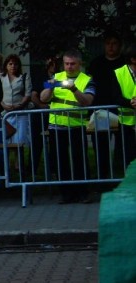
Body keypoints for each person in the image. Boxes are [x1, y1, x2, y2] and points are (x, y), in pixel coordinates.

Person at [39, 50, 95, 204]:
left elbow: (87, 101)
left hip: (77, 126)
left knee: (80, 160)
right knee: (60, 161)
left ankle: (83, 193)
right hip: (56, 126)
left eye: (73, 64)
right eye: (67, 63)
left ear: (80, 64)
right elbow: (43, 98)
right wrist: (50, 88)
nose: (69, 67)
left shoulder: (87, 80)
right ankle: (66, 194)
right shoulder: (56, 77)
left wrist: (74, 89)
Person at [88, 31, 126, 181]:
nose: (111, 47)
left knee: (122, 145)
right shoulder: (96, 63)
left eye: (114, 43)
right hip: (100, 110)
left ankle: (119, 177)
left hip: (121, 109)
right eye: (108, 43)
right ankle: (103, 178)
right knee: (101, 144)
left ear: (119, 46)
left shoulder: (124, 63)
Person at [111, 44, 136, 169]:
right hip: (127, 124)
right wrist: (130, 103)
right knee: (129, 159)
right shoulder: (119, 73)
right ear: (133, 59)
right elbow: (115, 96)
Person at [0, 54, 33, 148]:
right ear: (6, 65)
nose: (13, 66)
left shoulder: (24, 77)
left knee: (19, 141)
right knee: (5, 142)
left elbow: (28, 94)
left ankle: (19, 162)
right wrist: (3, 105)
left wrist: (19, 105)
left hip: (20, 114)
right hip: (5, 114)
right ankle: (7, 162)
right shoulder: (0, 77)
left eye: (15, 64)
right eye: (10, 64)